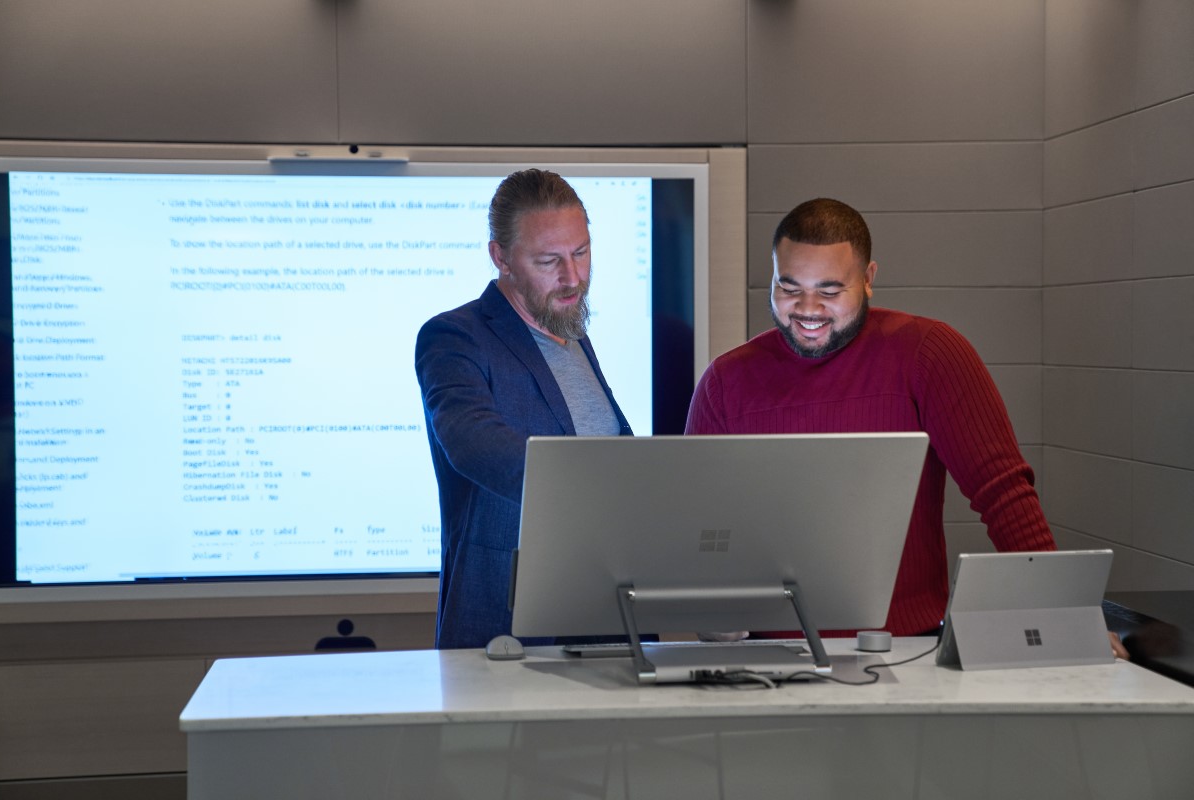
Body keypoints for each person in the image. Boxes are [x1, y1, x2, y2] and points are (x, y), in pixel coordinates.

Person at [686, 198, 1127, 658]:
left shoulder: (929, 354)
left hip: (906, 649)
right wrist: (712, 617)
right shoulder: (726, 382)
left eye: (831, 290)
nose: (808, 308)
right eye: (789, 287)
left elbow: (1004, 494)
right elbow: (697, 527)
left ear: (869, 279)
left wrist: (1065, 614)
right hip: (766, 657)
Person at [415, 169, 632, 650]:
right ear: (501, 257)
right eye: (549, 260)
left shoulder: (574, 335)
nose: (573, 277)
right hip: (506, 624)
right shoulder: (455, 336)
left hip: (608, 621)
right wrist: (590, 490)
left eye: (581, 252)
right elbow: (474, 441)